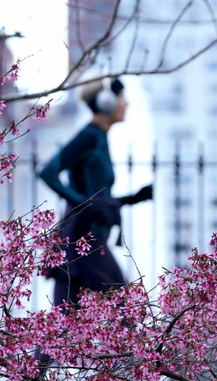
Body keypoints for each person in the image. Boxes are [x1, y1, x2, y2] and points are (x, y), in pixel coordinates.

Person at [39, 76, 153, 315]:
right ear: (106, 103)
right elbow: (48, 172)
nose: (127, 103)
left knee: (66, 322)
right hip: (81, 239)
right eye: (121, 98)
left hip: (88, 238)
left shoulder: (100, 137)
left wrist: (132, 198)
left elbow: (97, 199)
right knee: (124, 310)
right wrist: (83, 203)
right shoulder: (89, 136)